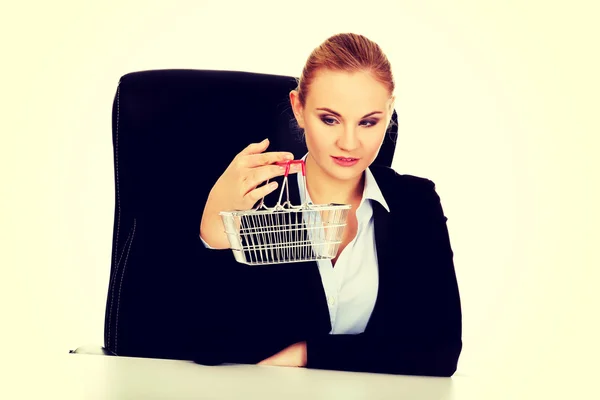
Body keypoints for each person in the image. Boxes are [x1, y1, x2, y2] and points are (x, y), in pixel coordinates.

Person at [197, 32, 462, 376]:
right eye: (330, 119)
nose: (349, 142)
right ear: (299, 108)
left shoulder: (415, 205)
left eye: (368, 122)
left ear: (389, 112)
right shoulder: (261, 200)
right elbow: (208, 345)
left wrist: (308, 353)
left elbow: (438, 353)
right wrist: (213, 234)